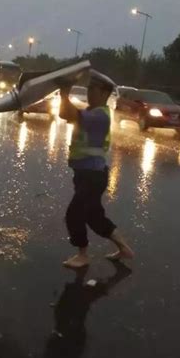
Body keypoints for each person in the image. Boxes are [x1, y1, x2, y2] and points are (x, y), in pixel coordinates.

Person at [58, 70, 134, 269]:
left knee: (74, 214)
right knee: (93, 216)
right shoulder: (91, 112)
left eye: (93, 88)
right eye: (89, 87)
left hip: (92, 176)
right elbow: (64, 113)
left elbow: (71, 113)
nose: (89, 91)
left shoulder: (99, 115)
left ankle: (82, 255)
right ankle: (125, 248)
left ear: (103, 93)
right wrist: (63, 93)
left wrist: (65, 92)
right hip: (87, 175)